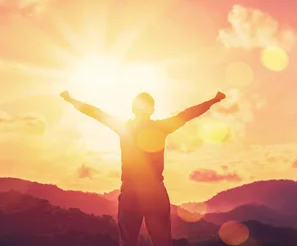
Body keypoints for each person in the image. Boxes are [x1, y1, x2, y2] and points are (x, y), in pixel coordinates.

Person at [60, 90, 226, 246]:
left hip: (133, 191)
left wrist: (72, 100)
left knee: (128, 241)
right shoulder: (159, 127)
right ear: (152, 110)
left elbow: (97, 113)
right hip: (153, 191)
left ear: (133, 109)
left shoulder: (125, 128)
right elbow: (187, 115)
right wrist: (213, 100)